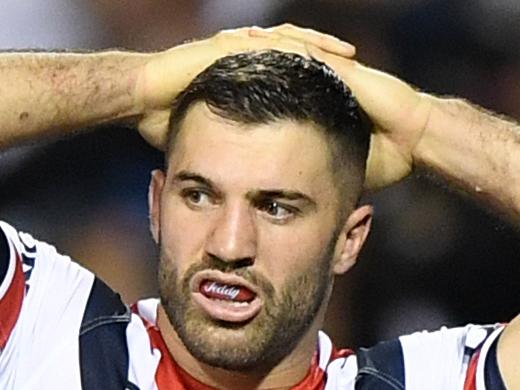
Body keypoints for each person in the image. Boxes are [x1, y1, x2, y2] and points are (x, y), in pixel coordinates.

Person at [0, 24, 518, 389]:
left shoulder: (424, 381)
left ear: (349, 239)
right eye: (199, 196)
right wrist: (136, 84)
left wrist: (420, 124)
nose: (229, 246)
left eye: (276, 208)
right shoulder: (42, 330)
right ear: (156, 204)